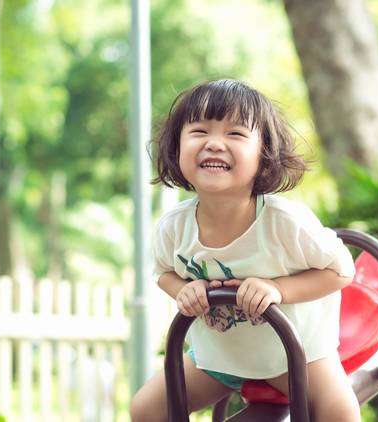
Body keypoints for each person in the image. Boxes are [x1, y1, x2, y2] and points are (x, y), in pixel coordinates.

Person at [130, 79, 360, 422]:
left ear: (264, 153)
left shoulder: (284, 222)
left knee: (340, 414)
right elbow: (162, 273)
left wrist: (278, 289)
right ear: (176, 147)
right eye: (199, 131)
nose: (214, 144)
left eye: (235, 134)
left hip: (294, 355)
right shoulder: (174, 226)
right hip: (218, 357)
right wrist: (184, 290)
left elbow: (341, 271)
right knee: (146, 409)